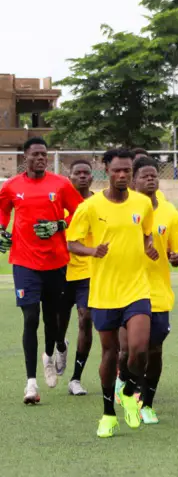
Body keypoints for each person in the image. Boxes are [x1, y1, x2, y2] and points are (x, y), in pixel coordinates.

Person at [67, 148, 157, 438]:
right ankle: (108, 414)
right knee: (110, 352)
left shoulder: (142, 203)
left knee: (140, 349)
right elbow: (72, 242)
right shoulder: (90, 207)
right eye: (117, 170)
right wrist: (93, 250)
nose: (122, 175)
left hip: (137, 288)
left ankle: (129, 390)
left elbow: (147, 232)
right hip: (104, 291)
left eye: (127, 171)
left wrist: (149, 246)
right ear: (105, 170)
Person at [0, 137, 84, 404]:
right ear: (25, 157)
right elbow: (2, 212)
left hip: (56, 262)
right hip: (24, 262)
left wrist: (60, 224)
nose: (40, 158)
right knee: (30, 318)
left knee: (53, 320)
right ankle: (31, 384)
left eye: (44, 154)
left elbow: (81, 213)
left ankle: (56, 348)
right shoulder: (12, 186)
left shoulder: (60, 184)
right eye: (35, 154)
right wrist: (2, 229)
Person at [133, 157, 178, 423]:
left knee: (153, 350)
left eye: (154, 175)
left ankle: (147, 403)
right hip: (126, 290)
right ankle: (128, 389)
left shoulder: (169, 213)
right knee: (131, 350)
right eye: (144, 176)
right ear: (133, 180)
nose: (150, 179)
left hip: (158, 292)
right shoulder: (123, 209)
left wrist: (177, 257)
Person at [55, 160, 95, 396]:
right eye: (77, 173)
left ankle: (76, 378)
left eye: (85, 173)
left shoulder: (100, 203)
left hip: (88, 271)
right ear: (69, 177)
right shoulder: (58, 204)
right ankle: (60, 345)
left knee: (85, 318)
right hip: (61, 269)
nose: (81, 176)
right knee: (59, 322)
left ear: (92, 177)